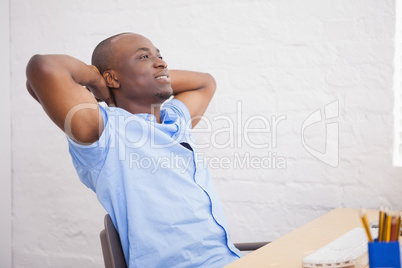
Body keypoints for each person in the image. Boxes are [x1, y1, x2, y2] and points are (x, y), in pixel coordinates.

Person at [26, 32, 241, 267]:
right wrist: (97, 81)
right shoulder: (105, 130)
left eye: (159, 56)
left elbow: (205, 82)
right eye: (143, 56)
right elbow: (43, 68)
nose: (162, 62)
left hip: (231, 259)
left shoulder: (176, 120)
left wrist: (156, 74)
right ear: (112, 78)